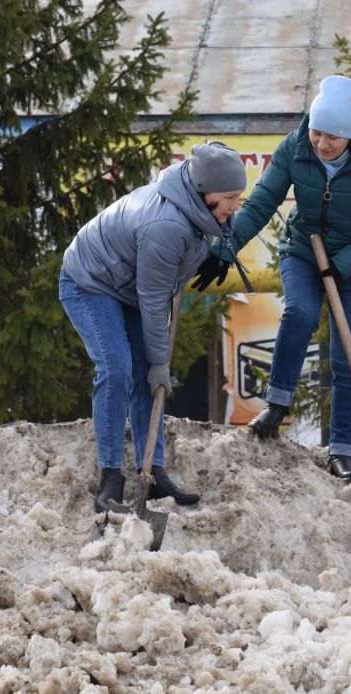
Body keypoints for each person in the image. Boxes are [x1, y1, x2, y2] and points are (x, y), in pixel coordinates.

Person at [195, 75, 351, 482]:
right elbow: (260, 203)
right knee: (300, 312)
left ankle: (342, 450)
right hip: (304, 249)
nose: (322, 144)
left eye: (333, 138)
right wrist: (225, 248)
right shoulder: (296, 146)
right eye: (317, 132)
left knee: (347, 352)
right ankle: (277, 404)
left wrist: (342, 264)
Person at [60, 141, 248, 512]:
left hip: (128, 284)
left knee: (147, 371)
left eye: (237, 196)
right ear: (204, 191)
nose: (235, 206)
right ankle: (110, 477)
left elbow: (157, 289)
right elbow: (152, 300)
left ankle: (153, 470)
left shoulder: (206, 211)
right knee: (116, 370)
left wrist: (221, 251)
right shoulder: (166, 224)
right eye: (229, 197)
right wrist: (161, 363)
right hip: (90, 282)